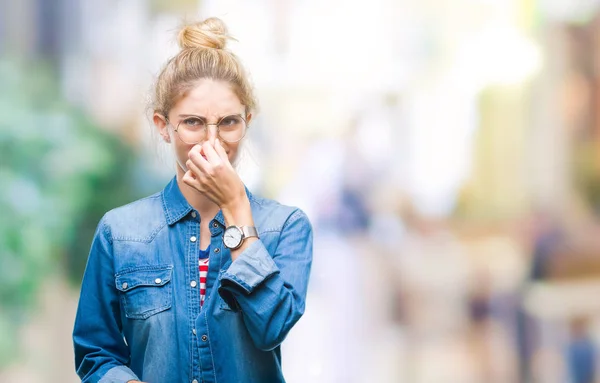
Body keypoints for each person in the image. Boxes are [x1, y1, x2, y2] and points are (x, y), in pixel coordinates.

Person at [72, 17, 313, 383]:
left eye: (229, 122)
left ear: (248, 121)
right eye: (193, 123)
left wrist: (236, 211)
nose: (213, 141)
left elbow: (271, 328)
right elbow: (95, 352)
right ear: (162, 126)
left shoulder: (286, 228)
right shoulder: (119, 232)